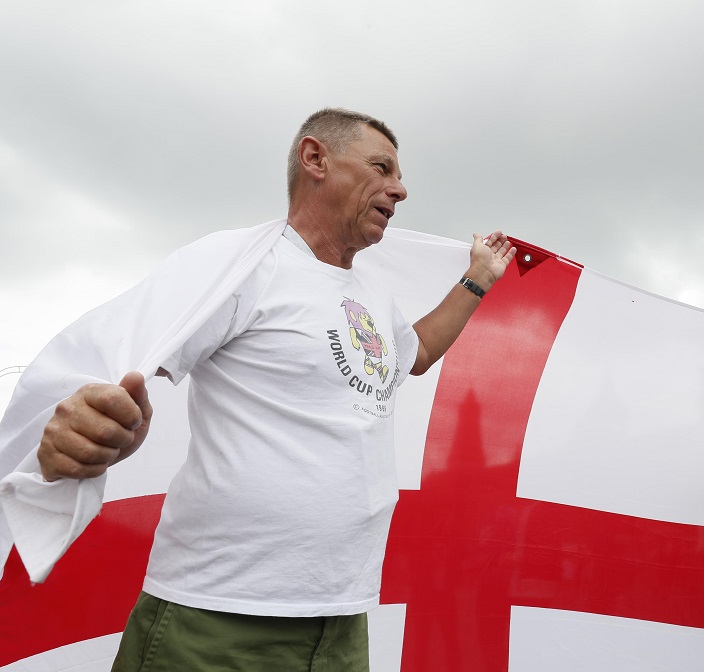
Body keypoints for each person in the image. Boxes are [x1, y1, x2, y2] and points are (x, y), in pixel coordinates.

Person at [28, 108, 517, 670]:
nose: (400, 190)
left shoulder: (374, 294)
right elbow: (115, 363)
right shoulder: (242, 265)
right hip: (216, 620)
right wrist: (84, 425)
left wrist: (479, 277)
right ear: (315, 159)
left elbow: (419, 354)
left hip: (341, 624)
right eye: (382, 168)